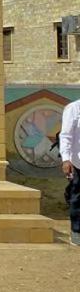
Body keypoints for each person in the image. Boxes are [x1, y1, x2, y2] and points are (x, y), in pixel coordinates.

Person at [60, 97, 80, 246]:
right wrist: (66, 160)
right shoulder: (73, 108)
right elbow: (66, 135)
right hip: (78, 162)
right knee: (77, 198)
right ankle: (76, 231)